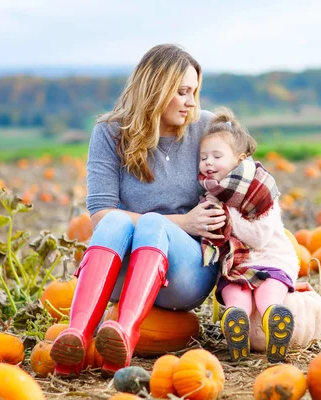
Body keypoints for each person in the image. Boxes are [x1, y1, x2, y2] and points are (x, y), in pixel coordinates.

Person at [50, 44, 226, 377]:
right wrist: (182, 220)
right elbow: (101, 215)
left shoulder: (206, 128)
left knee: (153, 226)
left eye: (194, 92)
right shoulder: (108, 133)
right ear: (156, 90)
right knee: (118, 219)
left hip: (186, 272)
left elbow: (246, 175)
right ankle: (78, 335)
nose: (191, 101)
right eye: (182, 92)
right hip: (124, 271)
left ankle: (126, 331)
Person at [198, 107, 298, 363]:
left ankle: (274, 320)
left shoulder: (261, 190)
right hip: (238, 264)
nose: (208, 163)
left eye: (216, 156)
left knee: (267, 293)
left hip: (272, 259)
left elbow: (259, 238)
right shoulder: (213, 194)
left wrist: (228, 217)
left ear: (239, 159)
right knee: (234, 292)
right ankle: (236, 325)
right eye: (203, 157)